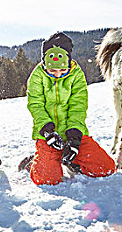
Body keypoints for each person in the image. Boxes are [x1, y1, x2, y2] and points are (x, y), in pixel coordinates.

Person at [18, 32, 116, 185]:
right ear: (45, 64)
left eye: (62, 71)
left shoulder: (76, 75)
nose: (57, 75)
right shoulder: (37, 77)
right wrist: (47, 131)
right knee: (47, 179)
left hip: (73, 133)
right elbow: (35, 105)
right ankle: (34, 163)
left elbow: (78, 106)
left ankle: (72, 161)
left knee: (106, 168)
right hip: (48, 135)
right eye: (52, 71)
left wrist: (75, 137)